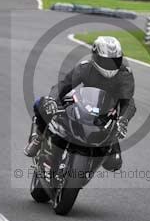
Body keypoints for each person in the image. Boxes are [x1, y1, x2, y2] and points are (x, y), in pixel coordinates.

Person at [24, 36, 135, 171]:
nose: (111, 66)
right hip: (84, 104)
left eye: (115, 61)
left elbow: (128, 102)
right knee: (42, 103)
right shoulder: (85, 68)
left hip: (107, 116)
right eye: (106, 61)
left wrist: (123, 120)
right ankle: (39, 138)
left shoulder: (125, 75)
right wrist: (52, 100)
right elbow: (63, 86)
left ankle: (88, 169)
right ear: (96, 57)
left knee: (114, 164)